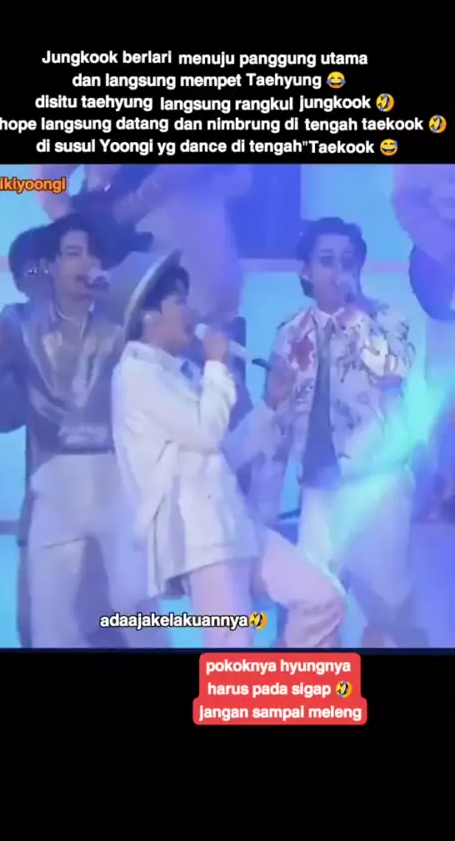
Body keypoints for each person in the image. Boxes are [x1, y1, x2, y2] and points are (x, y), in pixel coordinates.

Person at [109, 248, 345, 649]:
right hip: (200, 540)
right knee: (233, 649)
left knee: (323, 599)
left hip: (236, 524)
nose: (191, 311)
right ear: (147, 315)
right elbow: (206, 432)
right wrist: (217, 366)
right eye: (178, 301)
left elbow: (223, 454)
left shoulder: (180, 373)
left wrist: (270, 403)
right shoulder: (136, 374)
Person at [250, 217, 424, 648]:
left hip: (376, 482)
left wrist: (355, 315)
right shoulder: (290, 332)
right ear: (306, 271)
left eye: (348, 261)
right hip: (317, 489)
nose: (338, 271)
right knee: (316, 604)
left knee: (389, 607)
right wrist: (263, 506)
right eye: (327, 261)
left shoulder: (388, 319)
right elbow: (280, 420)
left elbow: (392, 369)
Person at [0, 213, 147, 648]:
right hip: (52, 499)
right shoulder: (19, 326)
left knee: (126, 624)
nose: (85, 263)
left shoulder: (123, 323)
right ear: (51, 265)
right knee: (47, 627)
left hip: (118, 495)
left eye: (92, 255)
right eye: (73, 254)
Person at [32, 163, 252, 324]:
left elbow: (239, 182)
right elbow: (46, 177)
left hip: (209, 278)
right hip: (138, 276)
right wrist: (77, 226)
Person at [393, 166, 455, 520]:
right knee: (445, 379)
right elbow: (407, 199)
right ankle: (443, 484)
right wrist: (446, 250)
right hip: (444, 264)